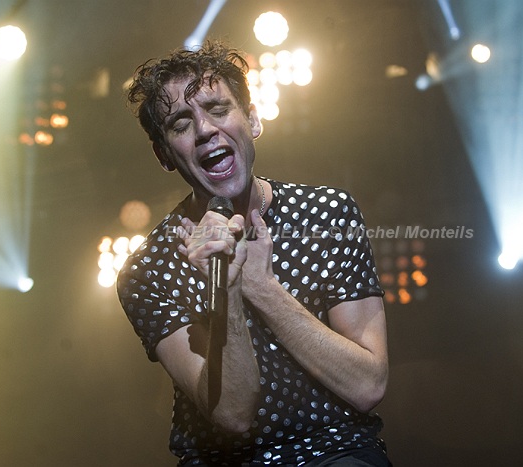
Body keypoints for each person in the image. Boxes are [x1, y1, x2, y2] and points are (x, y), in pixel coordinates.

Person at [117, 40, 390, 466]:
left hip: (336, 449)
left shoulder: (327, 213)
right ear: (164, 155)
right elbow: (233, 414)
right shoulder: (149, 269)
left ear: (253, 119)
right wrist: (225, 289)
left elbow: (367, 386)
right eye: (181, 124)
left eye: (218, 109)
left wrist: (261, 287)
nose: (205, 130)